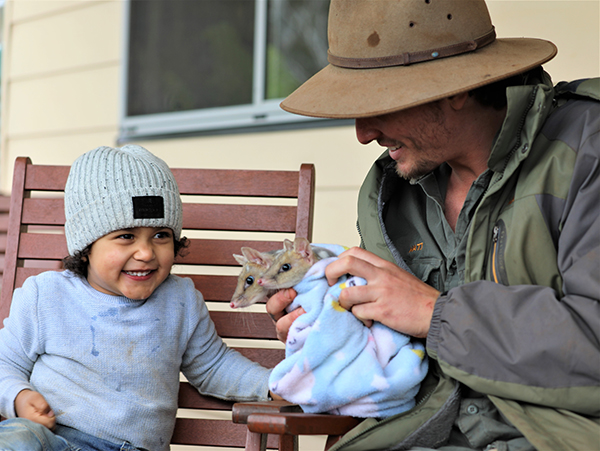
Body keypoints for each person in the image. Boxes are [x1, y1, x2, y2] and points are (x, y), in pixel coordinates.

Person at [266, 1, 599, 450]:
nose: (363, 134)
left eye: (375, 103)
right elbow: (391, 362)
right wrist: (328, 338)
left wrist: (433, 313)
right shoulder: (390, 192)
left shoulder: (587, 153)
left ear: (455, 88)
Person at [0, 145, 271, 451]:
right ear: (87, 246)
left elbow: (214, 366)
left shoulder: (179, 301)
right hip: (56, 442)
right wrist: (18, 396)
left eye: (160, 235)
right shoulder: (46, 296)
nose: (145, 253)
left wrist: (277, 384)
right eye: (126, 236)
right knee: (20, 439)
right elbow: (3, 363)